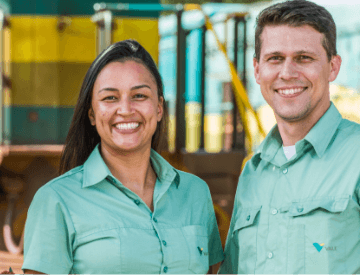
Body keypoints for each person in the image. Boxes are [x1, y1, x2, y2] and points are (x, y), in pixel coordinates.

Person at [22, 40, 224, 274]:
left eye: (139, 95)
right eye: (110, 98)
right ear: (92, 114)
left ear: (159, 108)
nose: (126, 109)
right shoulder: (56, 200)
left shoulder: (195, 193)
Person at [219, 0, 360, 274]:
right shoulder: (254, 171)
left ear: (333, 67)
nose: (287, 73)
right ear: (257, 70)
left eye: (303, 58)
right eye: (275, 59)